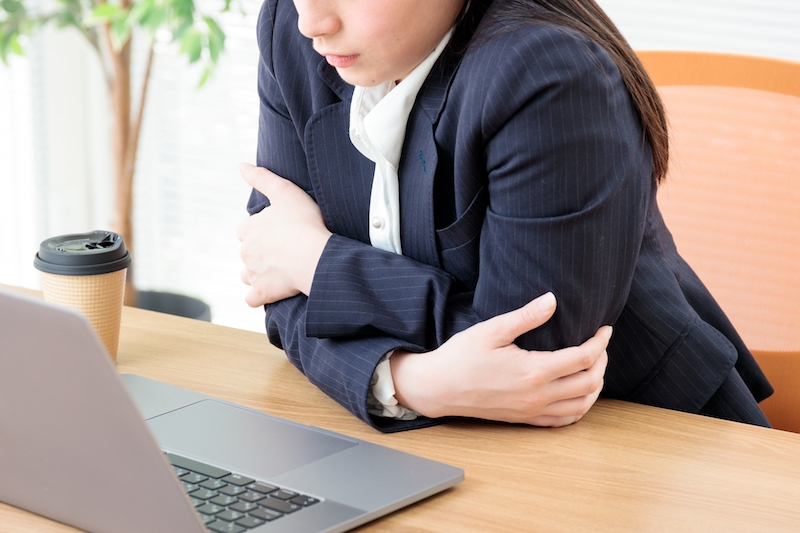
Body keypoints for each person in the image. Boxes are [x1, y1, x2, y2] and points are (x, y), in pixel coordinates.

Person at [237, 0, 773, 432]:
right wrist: (409, 382)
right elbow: (277, 291)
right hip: (440, 448)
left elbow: (530, 359)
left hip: (642, 440)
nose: (315, 21)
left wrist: (312, 259)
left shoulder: (546, 69)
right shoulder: (293, 30)